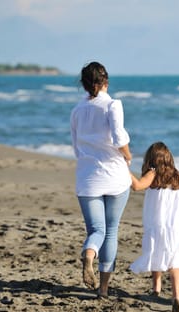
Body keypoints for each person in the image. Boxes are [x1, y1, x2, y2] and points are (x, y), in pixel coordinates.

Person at [70, 61, 133, 298]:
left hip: (87, 179)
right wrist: (128, 156)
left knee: (96, 230)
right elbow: (119, 139)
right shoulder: (113, 105)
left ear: (85, 85)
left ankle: (88, 255)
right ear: (106, 81)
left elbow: (77, 148)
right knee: (111, 230)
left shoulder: (76, 110)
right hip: (115, 177)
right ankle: (104, 289)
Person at [129, 142, 179, 312]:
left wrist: (124, 169)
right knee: (174, 260)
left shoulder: (152, 174)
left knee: (156, 252)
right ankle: (176, 296)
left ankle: (156, 287)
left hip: (156, 225)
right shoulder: (177, 175)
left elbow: (137, 186)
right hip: (175, 228)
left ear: (151, 159)